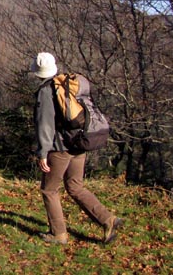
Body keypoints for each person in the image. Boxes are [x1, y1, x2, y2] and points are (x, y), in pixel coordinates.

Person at [30, 52, 123, 245]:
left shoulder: (47, 91)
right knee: (75, 186)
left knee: (49, 190)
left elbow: (45, 124)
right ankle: (107, 219)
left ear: (37, 72)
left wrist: (43, 152)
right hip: (78, 143)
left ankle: (59, 234)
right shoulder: (68, 85)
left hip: (60, 148)